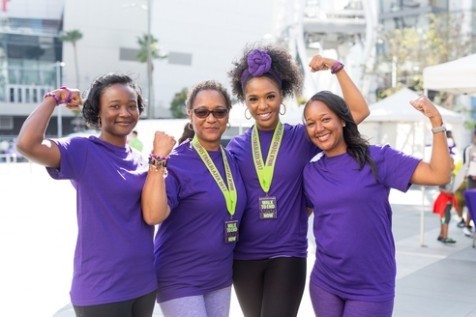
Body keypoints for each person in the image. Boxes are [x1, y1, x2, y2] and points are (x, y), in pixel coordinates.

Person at [226, 44, 370, 317]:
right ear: (245, 102)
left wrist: (336, 68)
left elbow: (358, 112)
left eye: (270, 96)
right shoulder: (236, 148)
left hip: (287, 253)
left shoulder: (301, 138)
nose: (263, 106)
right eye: (253, 99)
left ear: (282, 96)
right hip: (243, 256)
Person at [15, 73, 173, 317]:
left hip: (143, 285)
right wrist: (55, 98)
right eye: (114, 106)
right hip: (101, 290)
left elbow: (154, 215)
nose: (125, 112)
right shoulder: (83, 151)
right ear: (97, 112)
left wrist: (158, 162)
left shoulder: (142, 161)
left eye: (132, 106)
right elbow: (28, 144)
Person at [302, 92, 451, 317]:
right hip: (326, 282)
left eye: (325, 119)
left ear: (343, 119)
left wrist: (436, 121)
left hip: (371, 285)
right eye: (311, 123)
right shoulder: (310, 173)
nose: (319, 128)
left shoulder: (378, 158)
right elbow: (299, 217)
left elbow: (439, 175)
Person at [141, 80, 247, 317]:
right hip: (180, 278)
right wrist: (158, 160)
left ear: (228, 116)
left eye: (219, 112)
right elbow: (153, 215)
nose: (211, 118)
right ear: (190, 115)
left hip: (219, 277)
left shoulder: (231, 160)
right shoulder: (177, 160)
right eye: (202, 112)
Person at [432, 156, 457, 243]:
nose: (454, 165)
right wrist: (447, 192)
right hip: (444, 200)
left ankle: (441, 234)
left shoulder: (452, 175)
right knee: (445, 217)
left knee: (444, 217)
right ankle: (445, 236)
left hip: (449, 199)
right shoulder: (445, 175)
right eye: (452, 163)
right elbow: (440, 187)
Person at [462, 130, 476, 237]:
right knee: (471, 203)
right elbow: (466, 164)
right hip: (472, 179)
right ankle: (467, 225)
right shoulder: (469, 149)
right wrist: (469, 175)